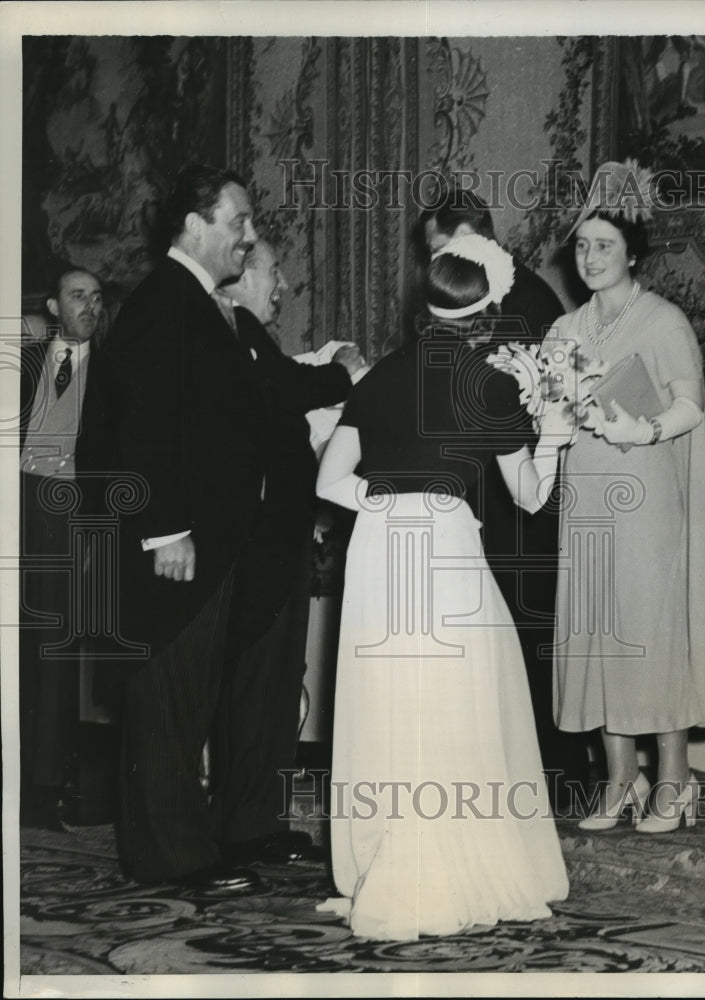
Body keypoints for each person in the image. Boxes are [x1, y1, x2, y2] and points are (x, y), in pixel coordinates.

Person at [76, 164, 354, 891]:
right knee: (169, 697)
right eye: (239, 222)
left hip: (211, 542)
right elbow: (141, 425)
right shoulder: (164, 304)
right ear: (195, 226)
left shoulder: (199, 306)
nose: (249, 236)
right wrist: (163, 530)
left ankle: (221, 839)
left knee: (191, 692)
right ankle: (172, 858)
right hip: (172, 544)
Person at [315, 232, 570, 941]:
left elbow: (329, 482)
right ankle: (450, 861)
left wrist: (387, 506)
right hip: (445, 545)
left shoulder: (377, 379)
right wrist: (554, 435)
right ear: (487, 316)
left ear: (423, 310)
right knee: (453, 703)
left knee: (389, 700)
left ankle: (382, 862)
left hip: (377, 551)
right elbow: (527, 496)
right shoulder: (489, 385)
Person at [545, 160, 705, 833]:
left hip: (646, 501)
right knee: (596, 632)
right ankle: (621, 778)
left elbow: (690, 406)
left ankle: (675, 779)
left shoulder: (662, 321)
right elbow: (548, 410)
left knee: (649, 634)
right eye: (582, 246)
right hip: (586, 500)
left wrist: (642, 429)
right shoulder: (564, 330)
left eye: (604, 246)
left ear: (631, 254)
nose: (590, 258)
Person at [419, 186, 589, 810]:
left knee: (528, 634)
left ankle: (555, 778)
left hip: (520, 497)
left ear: (470, 237)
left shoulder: (523, 301)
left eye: (440, 250)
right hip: (497, 491)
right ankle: (528, 775)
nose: (435, 267)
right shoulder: (516, 293)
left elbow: (541, 404)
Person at [211, 241, 365, 865]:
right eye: (273, 272)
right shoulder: (232, 330)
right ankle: (244, 825)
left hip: (280, 534)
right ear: (242, 274)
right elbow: (278, 389)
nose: (281, 285)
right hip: (260, 543)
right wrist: (341, 372)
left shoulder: (249, 333)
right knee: (258, 680)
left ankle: (261, 820)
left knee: (277, 681)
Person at [19, 266, 102, 830]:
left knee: (53, 643)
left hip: (66, 506)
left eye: (96, 298)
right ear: (53, 306)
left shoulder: (114, 371)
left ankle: (47, 785)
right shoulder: (25, 359)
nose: (90, 307)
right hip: (16, 500)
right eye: (77, 297)